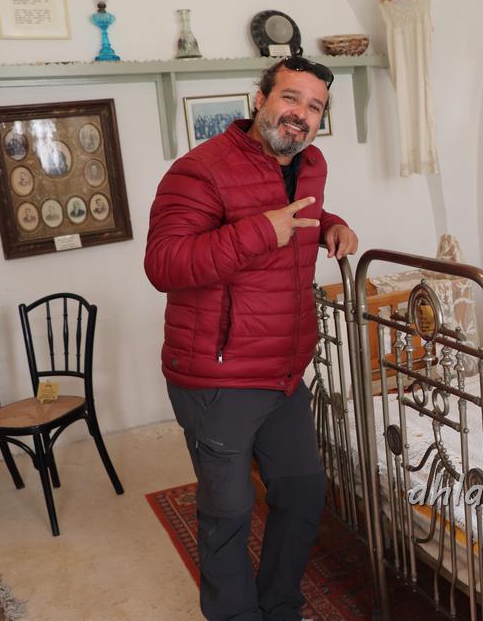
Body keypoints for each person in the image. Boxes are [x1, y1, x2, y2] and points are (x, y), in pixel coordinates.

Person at [144, 55, 359, 621]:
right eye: (290, 97)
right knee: (228, 511)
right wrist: (262, 231)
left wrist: (331, 224)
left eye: (314, 106)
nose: (300, 114)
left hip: (284, 371)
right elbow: (164, 264)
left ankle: (280, 606)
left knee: (303, 492)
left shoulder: (310, 164)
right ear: (259, 99)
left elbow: (297, 214)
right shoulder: (199, 170)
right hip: (217, 376)